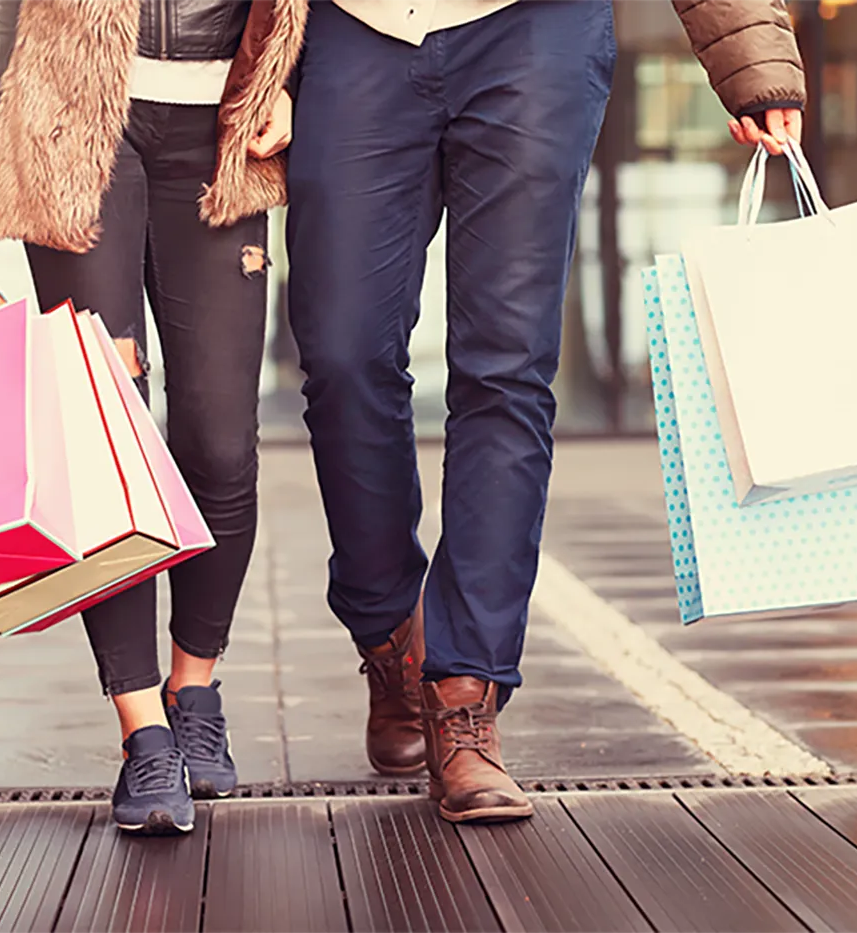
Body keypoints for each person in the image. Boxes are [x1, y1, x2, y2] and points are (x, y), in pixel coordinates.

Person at [284, 0, 805, 823]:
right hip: (360, 29)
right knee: (342, 354)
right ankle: (390, 628)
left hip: (534, 32)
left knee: (506, 368)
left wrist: (754, 61)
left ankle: (464, 697)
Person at [0, 0, 305, 834]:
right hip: (74, 121)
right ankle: (144, 728)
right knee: (106, 440)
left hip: (225, 132)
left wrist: (294, 86)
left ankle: (195, 683)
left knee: (218, 443)